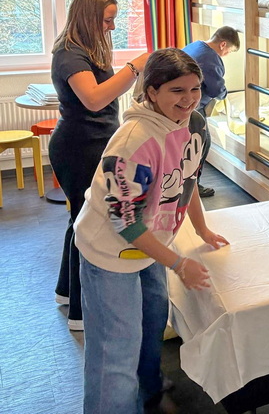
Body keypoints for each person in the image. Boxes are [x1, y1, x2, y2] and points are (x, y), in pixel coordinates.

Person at [74, 48, 229, 414]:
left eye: (195, 89)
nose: (189, 99)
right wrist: (179, 263)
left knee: (152, 322)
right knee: (115, 351)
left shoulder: (191, 124)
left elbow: (187, 180)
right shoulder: (133, 142)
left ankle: (149, 391)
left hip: (149, 247)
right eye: (177, 90)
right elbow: (124, 222)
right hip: (110, 254)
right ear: (152, 91)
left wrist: (202, 229)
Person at [50, 0, 149, 332]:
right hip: (79, 147)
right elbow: (94, 100)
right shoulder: (70, 54)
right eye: (107, 20)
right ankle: (81, 313)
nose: (112, 26)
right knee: (89, 224)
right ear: (89, 17)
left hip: (91, 142)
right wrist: (134, 68)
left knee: (79, 218)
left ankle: (66, 292)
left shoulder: (84, 51)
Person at [182, 26, 240, 197]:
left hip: (182, 103)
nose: (226, 54)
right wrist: (225, 94)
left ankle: (185, 184)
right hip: (192, 106)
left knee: (190, 145)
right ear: (223, 44)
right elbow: (216, 90)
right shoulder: (210, 58)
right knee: (201, 143)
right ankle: (192, 187)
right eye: (229, 51)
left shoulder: (195, 46)